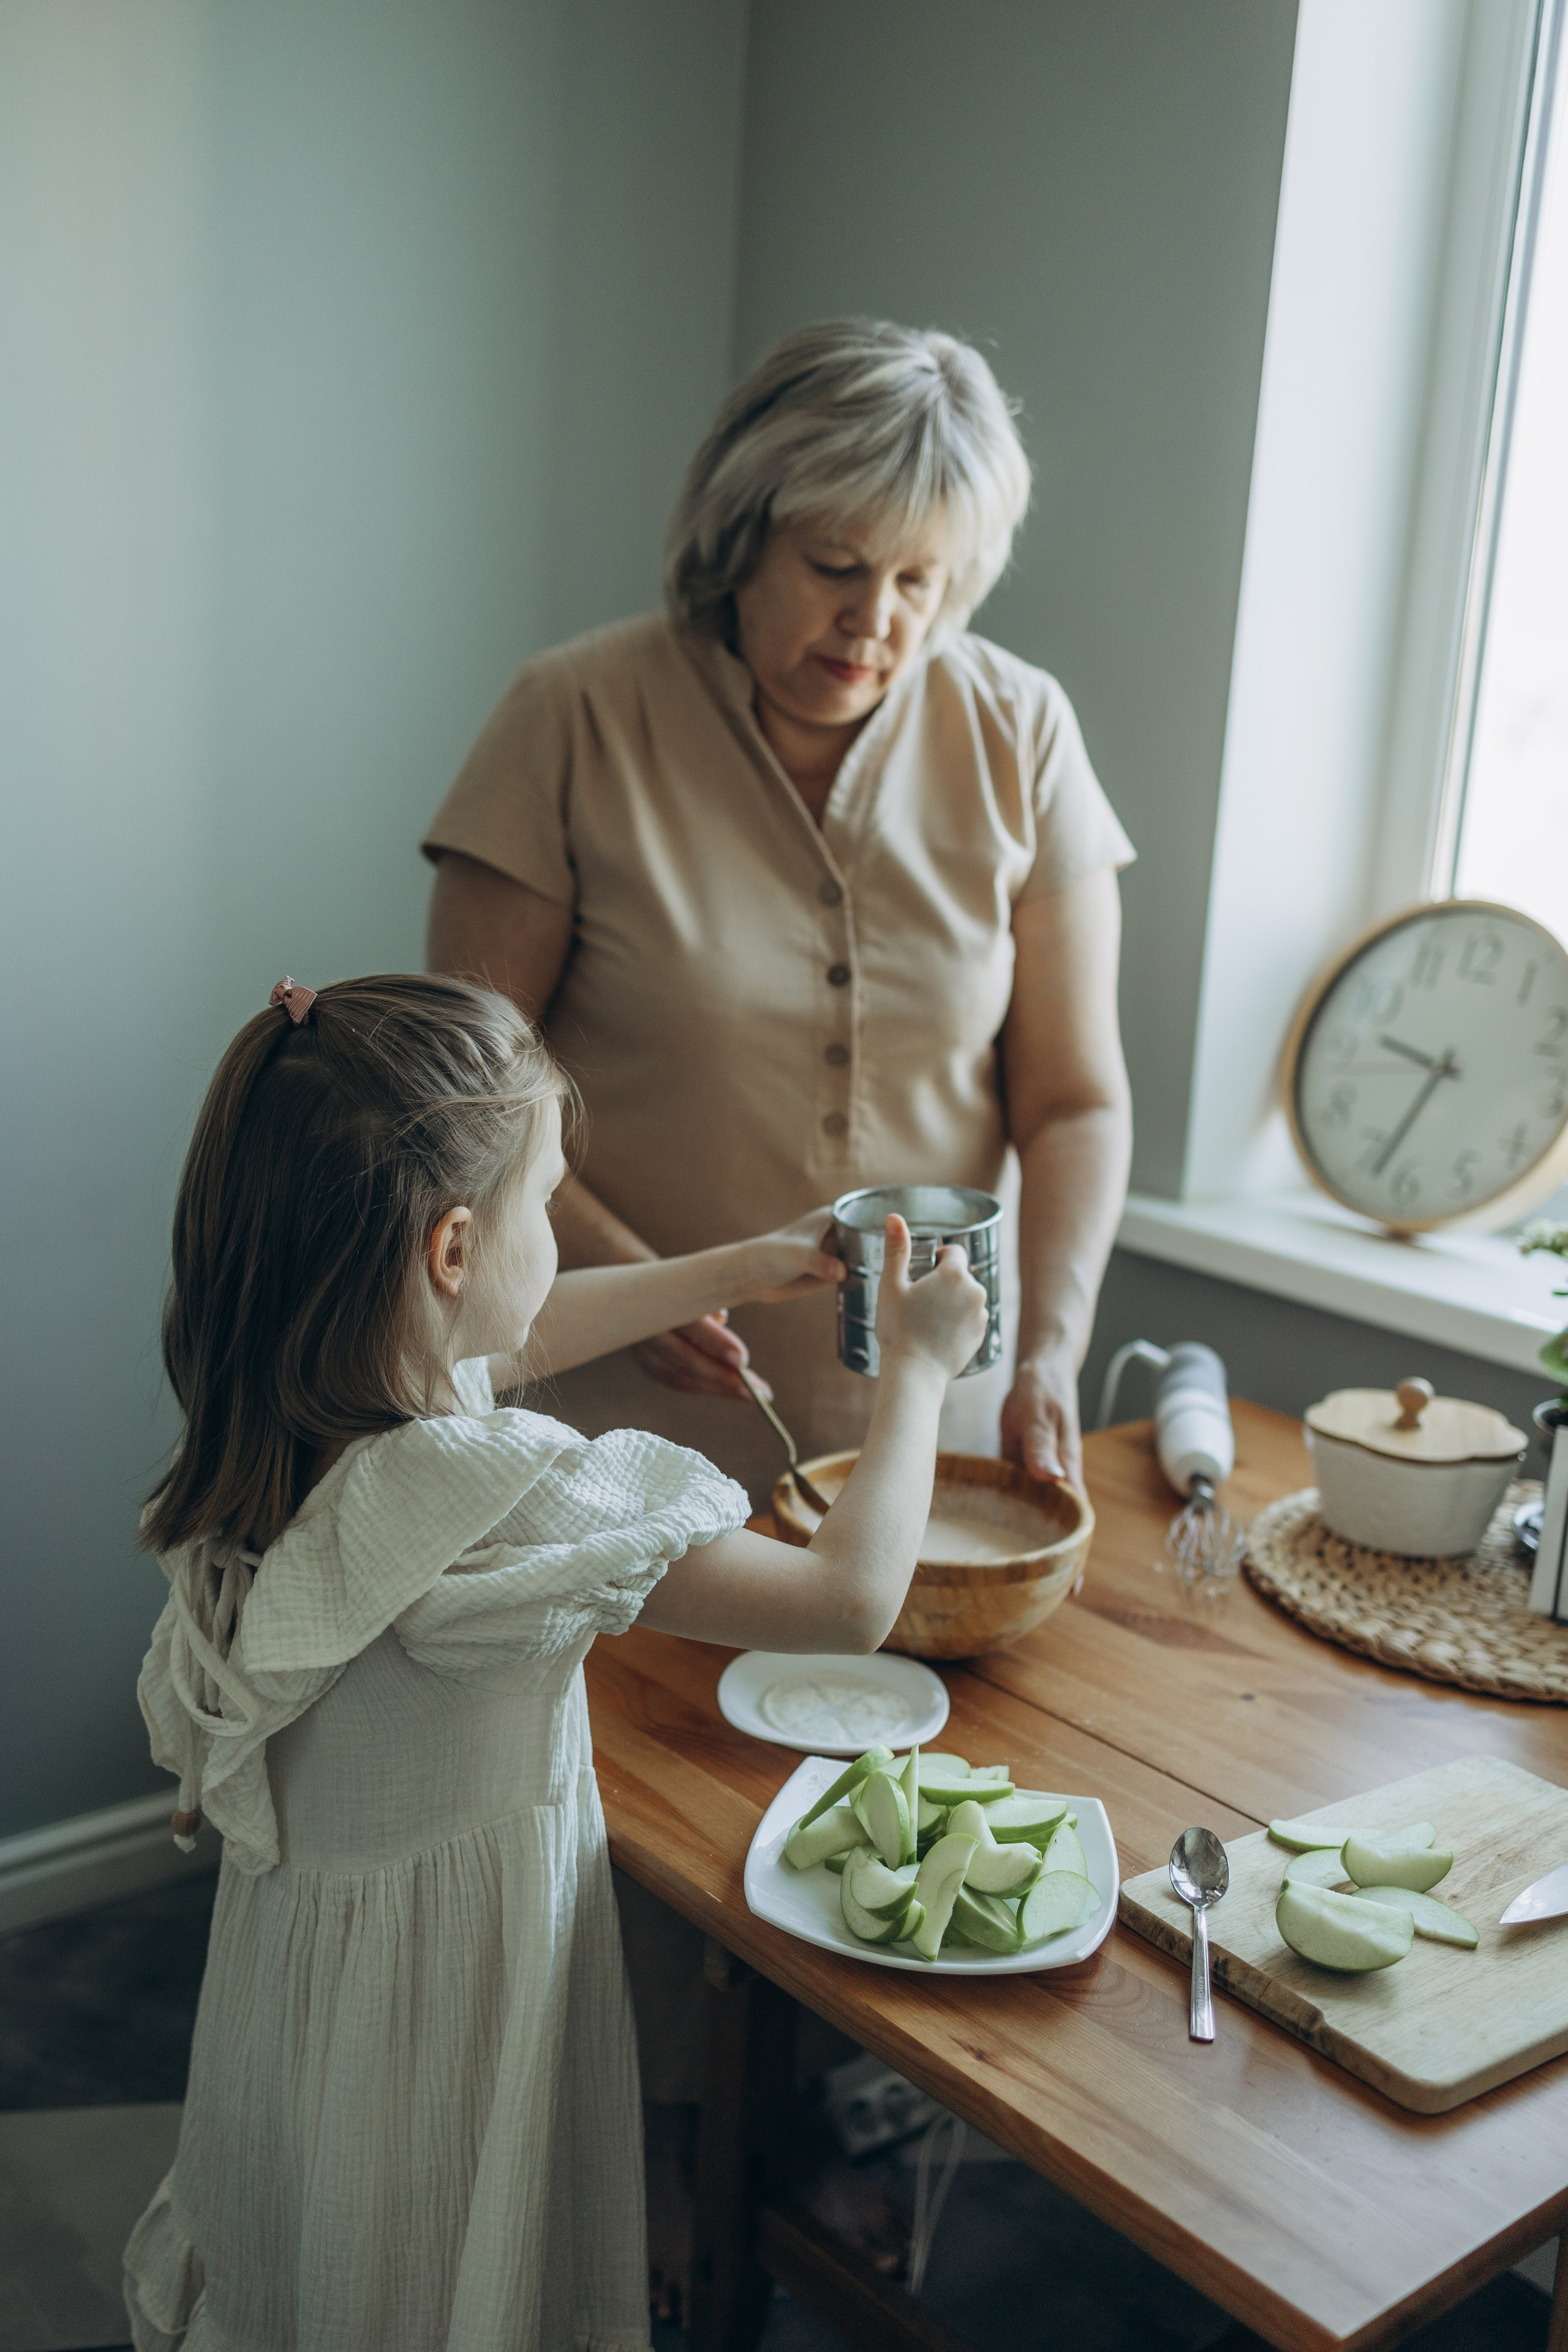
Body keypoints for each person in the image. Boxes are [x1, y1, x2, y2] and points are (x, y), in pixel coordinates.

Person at [422, 318, 1135, 2308]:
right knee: (630, 1794)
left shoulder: (1020, 732)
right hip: (612, 1352)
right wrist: (626, 1280)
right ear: (741, 531)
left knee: (861, 1755)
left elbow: (1072, 1097)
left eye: (924, 582)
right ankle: (638, 2149)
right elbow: (478, 1085)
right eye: (840, 567)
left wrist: (1052, 1349)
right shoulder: (571, 715)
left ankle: (823, 2124)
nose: (878, 623)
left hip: (905, 1396)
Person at [122, 971, 987, 2352]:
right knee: (441, 2265)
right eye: (544, 1200)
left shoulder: (304, 1410)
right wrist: (924, 1375)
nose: (551, 1228)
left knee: (331, 2246)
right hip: (453, 2000)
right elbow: (844, 1599)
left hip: (315, 1981)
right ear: (453, 1250)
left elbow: (512, 1332)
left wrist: (743, 1261)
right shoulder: (495, 1494)